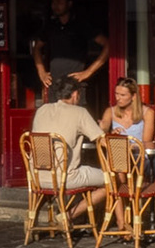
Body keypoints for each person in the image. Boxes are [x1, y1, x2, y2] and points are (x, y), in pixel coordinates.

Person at [29, 76, 107, 220]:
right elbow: (102, 142)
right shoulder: (80, 112)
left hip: (37, 177)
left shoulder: (42, 110)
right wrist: (102, 129)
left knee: (78, 170)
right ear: (76, 94)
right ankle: (67, 217)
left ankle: (34, 218)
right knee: (111, 181)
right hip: (64, 179)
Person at [30, 0, 110, 100]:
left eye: (59, 2)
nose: (55, 6)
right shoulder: (51, 26)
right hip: (55, 82)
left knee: (75, 114)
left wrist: (88, 72)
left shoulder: (81, 24)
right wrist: (41, 71)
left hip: (75, 82)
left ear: (69, 4)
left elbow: (108, 45)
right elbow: (37, 48)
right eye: (53, 2)